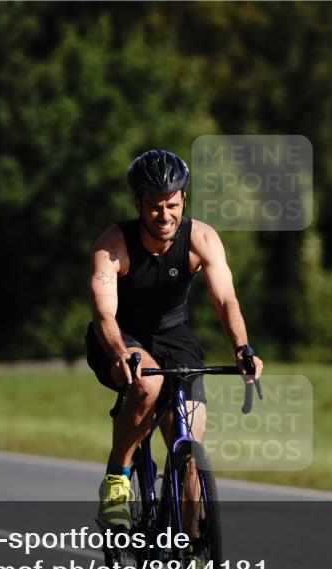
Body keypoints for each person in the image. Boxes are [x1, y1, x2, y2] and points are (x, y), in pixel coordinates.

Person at [86, 149, 263, 530]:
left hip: (175, 337)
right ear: (137, 203)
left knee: (191, 456)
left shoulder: (201, 238)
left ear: (184, 198)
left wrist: (241, 348)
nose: (164, 216)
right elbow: (104, 313)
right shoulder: (113, 245)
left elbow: (226, 299)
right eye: (153, 207)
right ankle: (117, 478)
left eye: (172, 204)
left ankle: (196, 555)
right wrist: (120, 353)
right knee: (147, 382)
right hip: (121, 334)